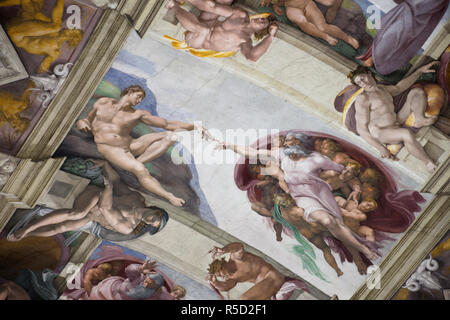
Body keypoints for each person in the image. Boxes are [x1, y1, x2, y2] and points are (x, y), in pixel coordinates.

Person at [220, 132, 380, 261]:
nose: (288, 144)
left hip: (321, 193)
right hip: (302, 196)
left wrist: (357, 188)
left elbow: (343, 172)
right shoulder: (280, 155)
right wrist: (229, 145)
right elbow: (252, 152)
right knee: (327, 221)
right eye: (287, 142)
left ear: (301, 144)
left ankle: (363, 246)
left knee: (336, 222)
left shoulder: (317, 159)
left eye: (292, 141)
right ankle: (364, 249)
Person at [76, 85, 211, 207]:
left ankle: (135, 163)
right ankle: (168, 196)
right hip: (110, 148)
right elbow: (86, 119)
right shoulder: (103, 102)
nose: (139, 100)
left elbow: (166, 124)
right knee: (140, 170)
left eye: (141, 99)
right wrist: (82, 123)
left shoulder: (137, 114)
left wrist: (193, 126)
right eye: (138, 96)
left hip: (131, 145)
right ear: (129, 92)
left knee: (171, 136)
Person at [9, 160, 169, 240]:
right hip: (96, 196)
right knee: (76, 213)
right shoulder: (137, 198)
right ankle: (28, 228)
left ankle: (24, 235)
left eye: (150, 224)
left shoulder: (127, 228)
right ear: (155, 209)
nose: (147, 221)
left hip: (94, 215)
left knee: (57, 229)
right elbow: (118, 184)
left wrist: (109, 188)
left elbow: (106, 210)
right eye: (153, 218)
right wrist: (106, 165)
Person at [350, 61, 439, 172]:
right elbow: (362, 129)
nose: (363, 83)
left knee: (416, 92)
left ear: (369, 73)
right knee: (406, 134)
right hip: (381, 131)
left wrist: (419, 71)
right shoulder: (363, 99)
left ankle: (420, 118)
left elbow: (399, 87)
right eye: (359, 83)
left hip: (396, 120)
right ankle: (428, 162)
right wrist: (381, 148)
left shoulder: (382, 89)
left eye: (363, 78)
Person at [165, 0, 278, 62]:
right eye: (261, 17)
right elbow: (212, 7)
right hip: (205, 22)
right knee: (224, 1)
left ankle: (173, 6)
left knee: (204, 30)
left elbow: (252, 57)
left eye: (262, 22)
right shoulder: (241, 15)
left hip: (197, 40)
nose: (259, 19)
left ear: (259, 32)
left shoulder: (245, 42)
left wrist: (271, 37)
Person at [1, 0, 83, 73]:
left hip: (16, 35)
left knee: (54, 25)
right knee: (36, 8)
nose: (70, 28)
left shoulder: (54, 51)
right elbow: (57, 16)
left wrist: (34, 87)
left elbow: (43, 69)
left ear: (72, 37)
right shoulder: (52, 30)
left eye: (73, 31)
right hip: (15, 25)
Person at [261, 0, 358, 49]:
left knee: (323, 27)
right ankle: (326, 37)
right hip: (291, 7)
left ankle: (348, 39)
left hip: (306, 3)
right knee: (302, 21)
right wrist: (276, 5)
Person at [207, 242, 288, 300]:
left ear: (221, 266)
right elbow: (225, 287)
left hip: (273, 277)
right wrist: (216, 283)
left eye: (220, 274)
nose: (223, 276)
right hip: (265, 288)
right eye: (220, 277)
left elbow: (238, 246)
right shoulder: (232, 278)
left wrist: (224, 250)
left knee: (244, 299)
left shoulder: (236, 258)